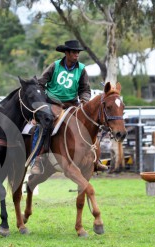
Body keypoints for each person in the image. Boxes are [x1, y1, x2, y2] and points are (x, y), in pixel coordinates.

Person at [30, 39, 108, 174]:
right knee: (44, 125)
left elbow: (85, 89)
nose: (76, 54)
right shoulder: (54, 66)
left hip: (73, 103)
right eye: (74, 52)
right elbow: (40, 84)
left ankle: (96, 160)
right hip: (53, 103)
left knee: (91, 124)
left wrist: (84, 101)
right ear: (66, 53)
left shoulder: (82, 69)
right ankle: (37, 160)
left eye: (78, 52)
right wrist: (43, 100)